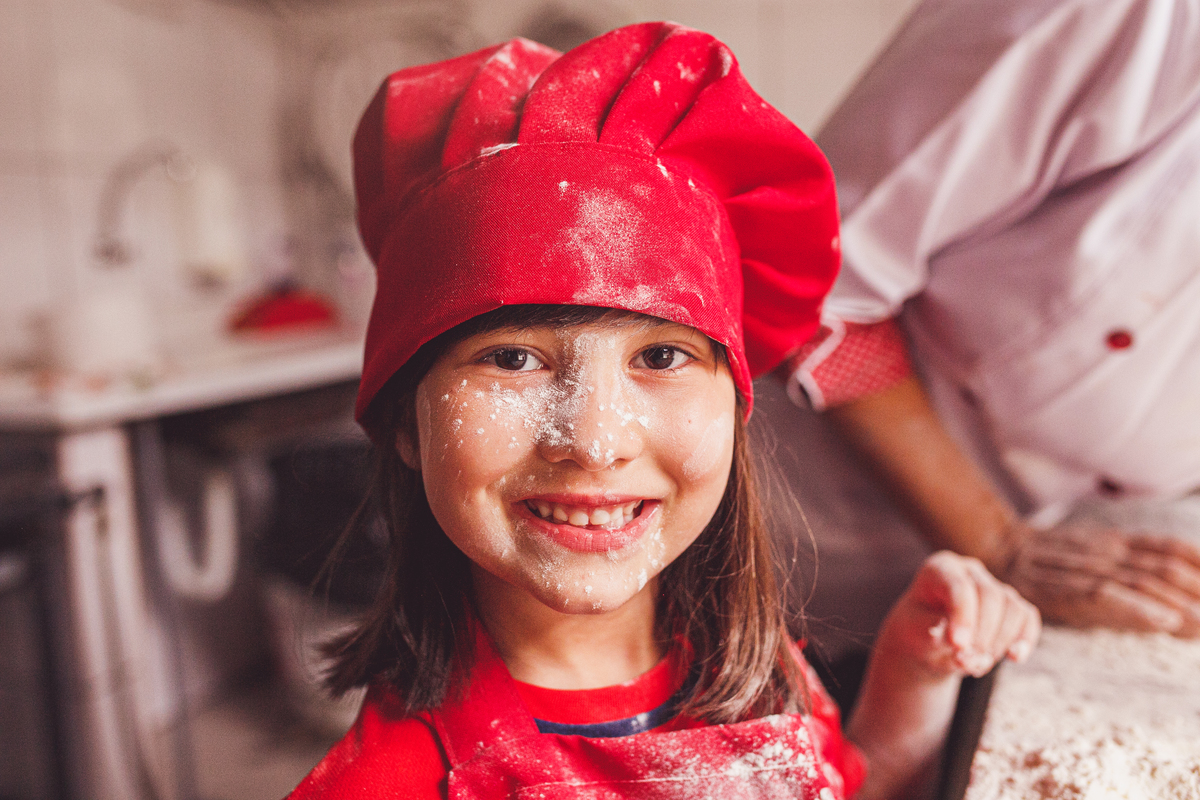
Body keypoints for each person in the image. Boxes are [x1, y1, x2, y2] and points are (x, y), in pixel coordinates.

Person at [286, 22, 1040, 800]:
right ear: (407, 420)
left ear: (736, 407)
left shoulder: (748, 670)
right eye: (513, 358)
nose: (594, 440)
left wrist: (912, 672)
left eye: (661, 357)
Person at [767, 0, 1200, 696]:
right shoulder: (1134, 19)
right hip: (784, 524)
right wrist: (1001, 545)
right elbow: (821, 275)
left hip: (978, 604)